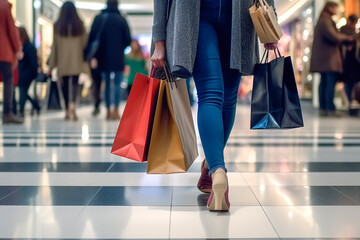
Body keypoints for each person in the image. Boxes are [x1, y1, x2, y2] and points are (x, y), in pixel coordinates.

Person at [151, 0, 278, 211]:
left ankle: (217, 169)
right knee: (228, 97)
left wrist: (159, 39)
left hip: (195, 15)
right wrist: (270, 19)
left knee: (210, 93)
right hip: (238, 14)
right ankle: (212, 166)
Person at [87, 0, 131, 120]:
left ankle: (107, 110)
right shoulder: (121, 19)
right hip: (117, 57)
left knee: (106, 83)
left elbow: (92, 37)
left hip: (103, 57)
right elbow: (128, 40)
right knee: (117, 83)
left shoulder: (99, 18)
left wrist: (95, 56)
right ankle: (116, 109)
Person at [310, 1, 354, 117]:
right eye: (336, 8)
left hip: (325, 59)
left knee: (324, 83)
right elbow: (333, 36)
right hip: (328, 59)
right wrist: (348, 38)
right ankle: (329, 108)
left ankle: (325, 108)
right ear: (330, 8)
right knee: (329, 82)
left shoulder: (323, 20)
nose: (337, 10)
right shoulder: (325, 21)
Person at [49, 1, 88, 121]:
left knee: (64, 85)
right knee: (75, 84)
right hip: (77, 60)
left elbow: (55, 46)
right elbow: (85, 44)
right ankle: (73, 106)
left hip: (63, 61)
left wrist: (51, 65)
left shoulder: (58, 25)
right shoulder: (80, 25)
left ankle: (66, 109)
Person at [0, 0, 23, 124]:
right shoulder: (4, 6)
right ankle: (7, 113)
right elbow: (11, 30)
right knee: (8, 81)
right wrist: (18, 49)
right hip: (3, 52)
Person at [17, 26, 41, 118]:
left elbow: (33, 63)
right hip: (23, 74)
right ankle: (36, 106)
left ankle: (21, 111)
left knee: (22, 91)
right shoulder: (22, 47)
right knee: (23, 92)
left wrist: (34, 73)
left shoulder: (29, 47)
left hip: (27, 74)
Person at [340, 14, 359, 103]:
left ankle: (351, 99)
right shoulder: (344, 30)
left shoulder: (354, 31)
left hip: (354, 60)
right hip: (346, 60)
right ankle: (349, 100)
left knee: (353, 80)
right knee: (348, 80)